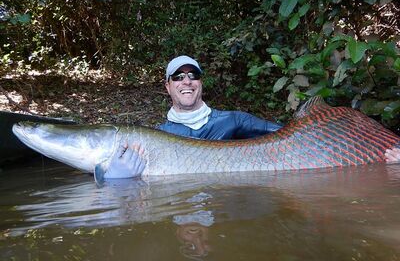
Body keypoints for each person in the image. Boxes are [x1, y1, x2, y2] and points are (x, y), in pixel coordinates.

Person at [104, 55, 400, 179]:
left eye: (193, 75)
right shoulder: (155, 136)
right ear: (168, 86)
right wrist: (114, 180)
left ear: (200, 83)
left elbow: (297, 133)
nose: (186, 81)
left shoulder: (233, 120)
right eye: (178, 77)